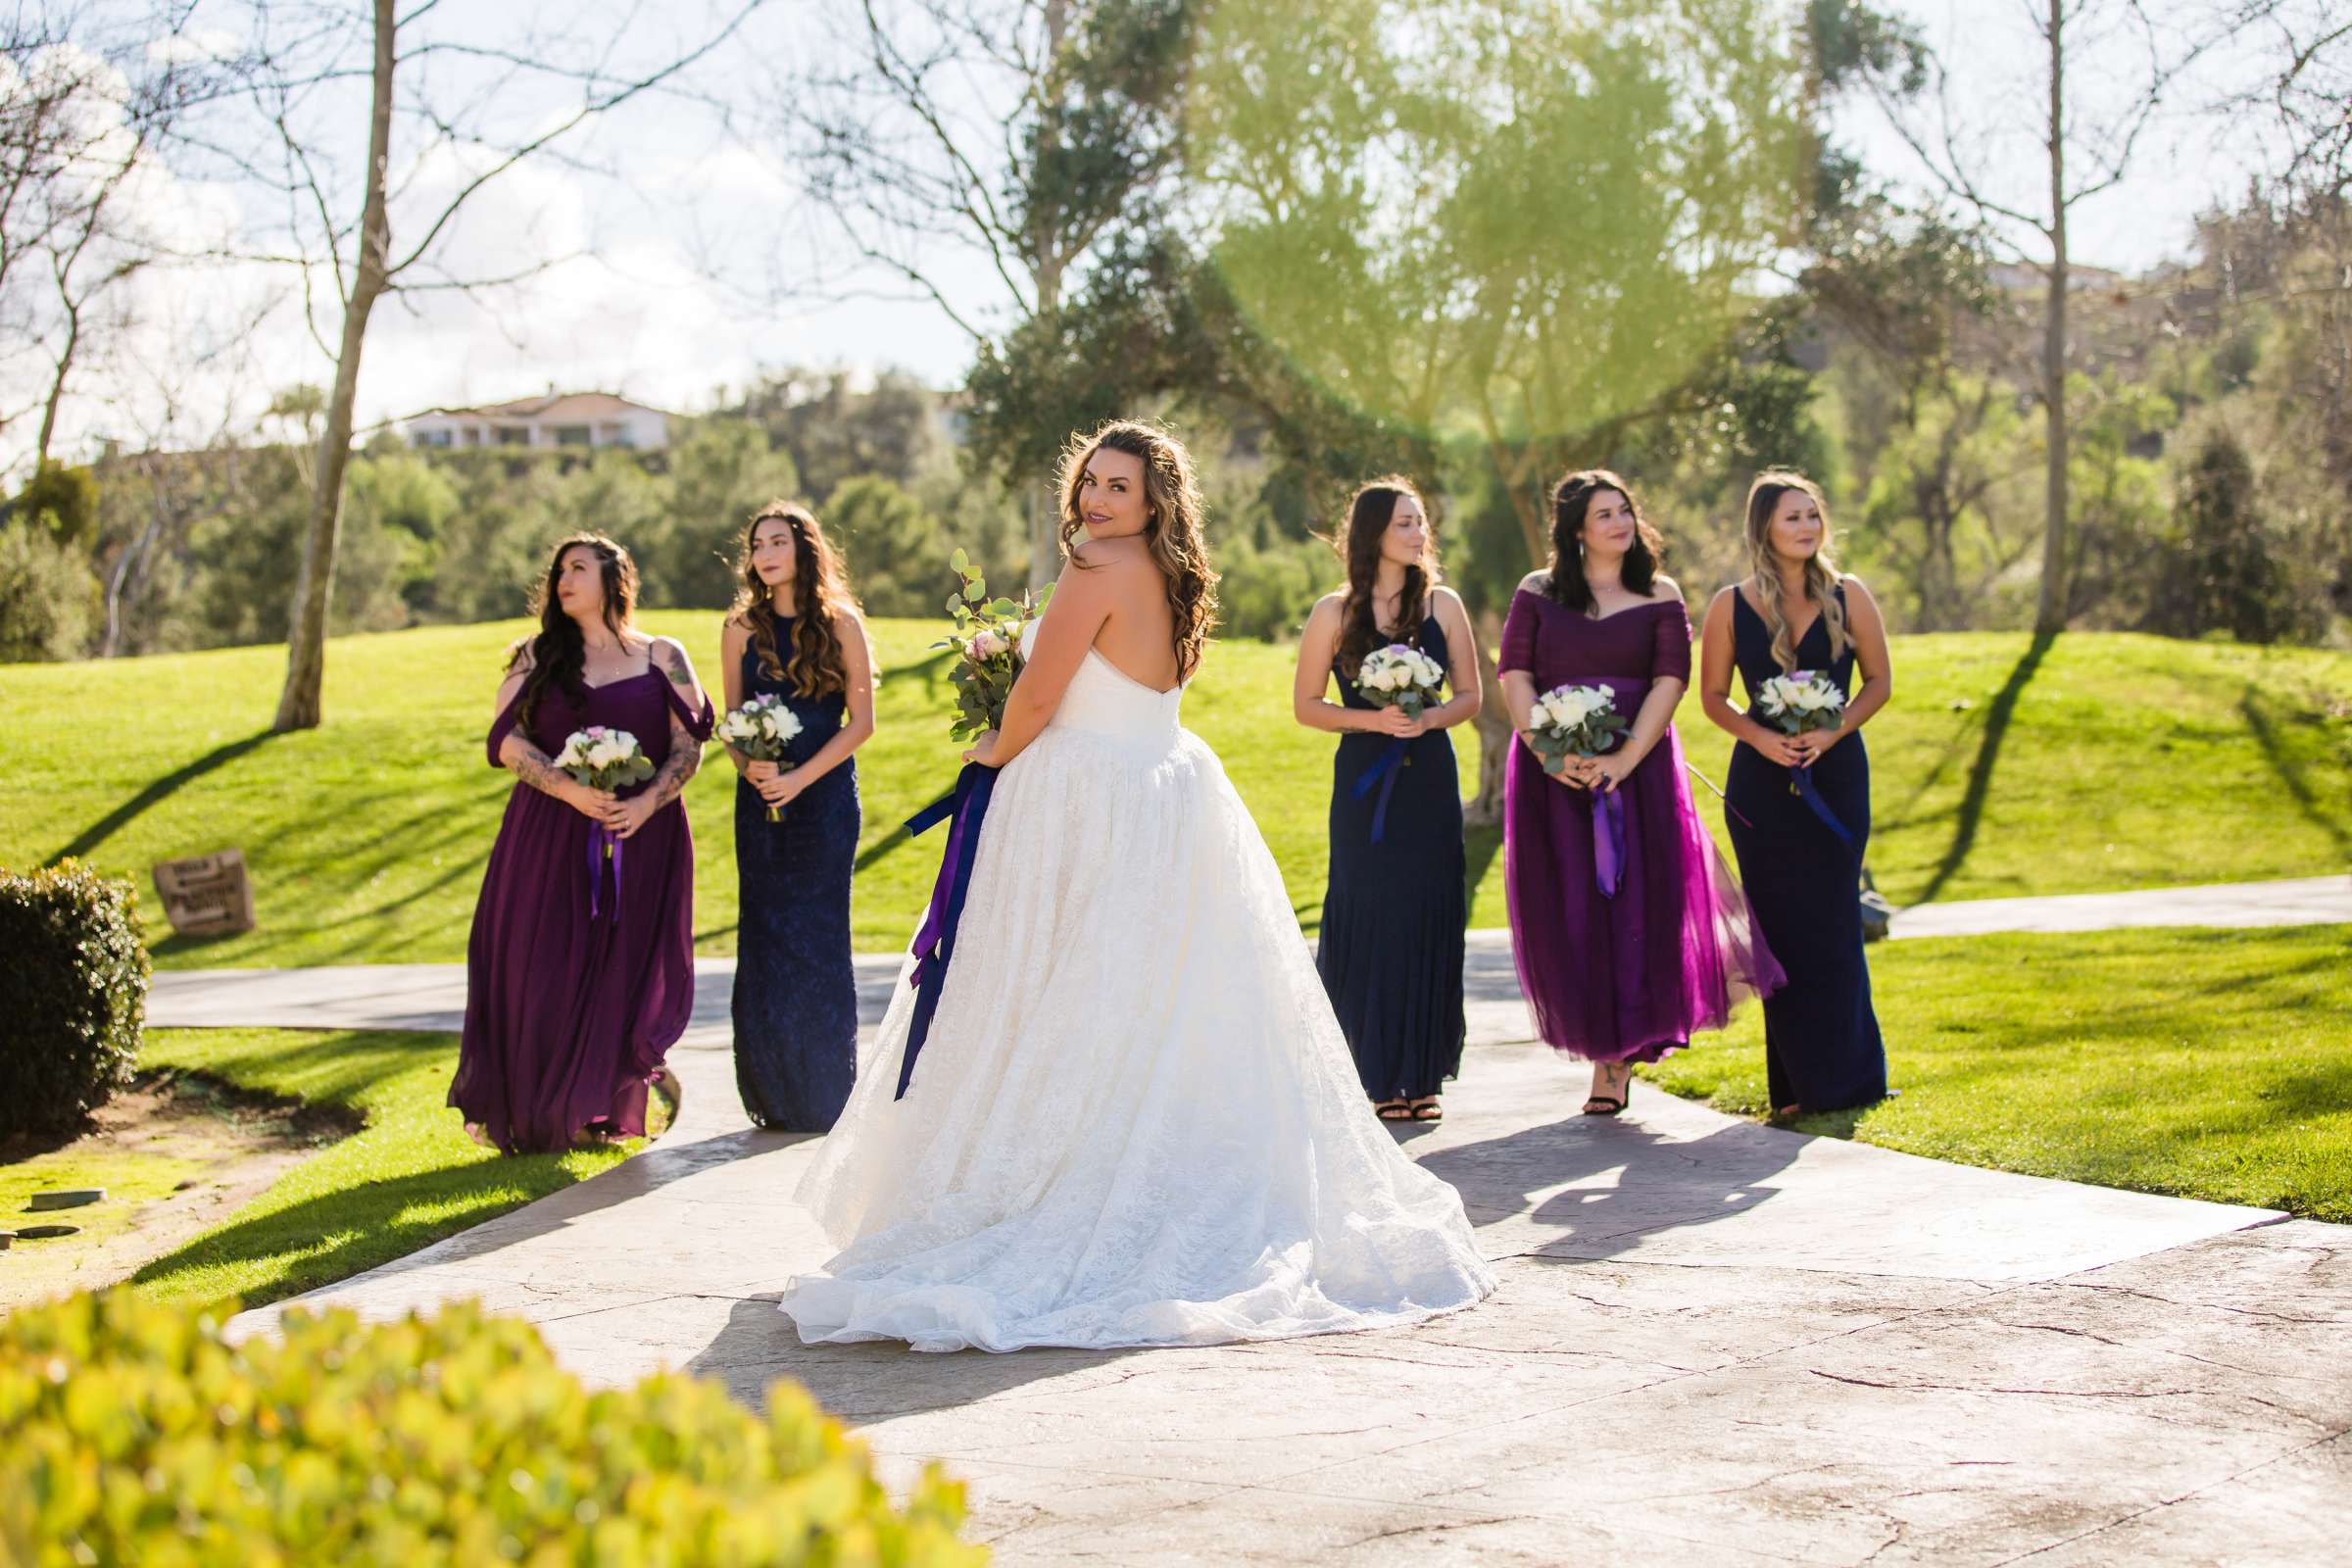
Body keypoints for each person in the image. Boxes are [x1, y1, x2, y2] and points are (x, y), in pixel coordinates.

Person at [779, 420, 1495, 1352]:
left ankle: (1044, 1183)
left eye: (1118, 487)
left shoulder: (1093, 570)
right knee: (1145, 1000)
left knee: (1056, 994)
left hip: (1082, 793)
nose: (1097, 500)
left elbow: (1040, 696)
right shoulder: (1163, 574)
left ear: (1155, 499)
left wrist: (990, 749)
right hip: (1165, 787)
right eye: (1089, 482)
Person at [1497, 470, 1781, 1116]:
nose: (1621, 523)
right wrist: (1549, 751)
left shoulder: (1660, 593)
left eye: (1625, 510)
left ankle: (1614, 1063)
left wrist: (1625, 757)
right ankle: (1597, 1038)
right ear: (1576, 531)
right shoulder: (1536, 593)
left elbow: (1670, 680)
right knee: (1571, 911)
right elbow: (1514, 674)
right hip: (1554, 777)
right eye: (1604, 515)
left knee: (1638, 908)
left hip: (1641, 769)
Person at [452, 532, 712, 1152]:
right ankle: (536, 1113)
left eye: (577, 568)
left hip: (642, 837)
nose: (563, 580)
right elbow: (507, 742)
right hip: (546, 835)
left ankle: (596, 1110)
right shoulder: (534, 656)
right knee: (536, 964)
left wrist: (647, 802)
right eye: (558, 570)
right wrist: (570, 791)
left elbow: (689, 743)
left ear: (613, 579)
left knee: (622, 969)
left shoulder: (661, 656)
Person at [1696, 471, 1892, 1117]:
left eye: (1813, 515)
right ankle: (1794, 1090)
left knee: (1835, 923)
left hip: (1836, 777)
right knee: (1778, 931)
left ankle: (1855, 1080)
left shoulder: (1848, 594)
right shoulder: (1730, 605)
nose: (1807, 527)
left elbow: (1878, 684)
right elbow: (1712, 697)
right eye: (1793, 518)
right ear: (1765, 529)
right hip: (1761, 786)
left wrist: (1831, 733)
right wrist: (1761, 737)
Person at [1292, 477, 1480, 1123]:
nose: (1418, 533)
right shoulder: (1333, 613)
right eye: (1404, 522)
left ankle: (1422, 1075)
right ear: (1373, 532)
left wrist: (1427, 721)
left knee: (1430, 909)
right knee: (1368, 908)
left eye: (1420, 520)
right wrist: (1376, 723)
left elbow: (1470, 697)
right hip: (1364, 780)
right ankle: (1372, 1075)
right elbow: (1306, 706)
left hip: (1428, 778)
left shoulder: (1444, 606)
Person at [720, 501, 876, 1132]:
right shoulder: (738, 628)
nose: (765, 552)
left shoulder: (842, 623)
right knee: (764, 936)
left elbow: (862, 724)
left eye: (778, 541)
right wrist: (749, 767)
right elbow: (731, 721)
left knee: (817, 940)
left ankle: (823, 1092)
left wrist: (799, 779)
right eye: (757, 543)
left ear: (805, 549)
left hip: (825, 800)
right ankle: (772, 1093)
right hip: (759, 805)